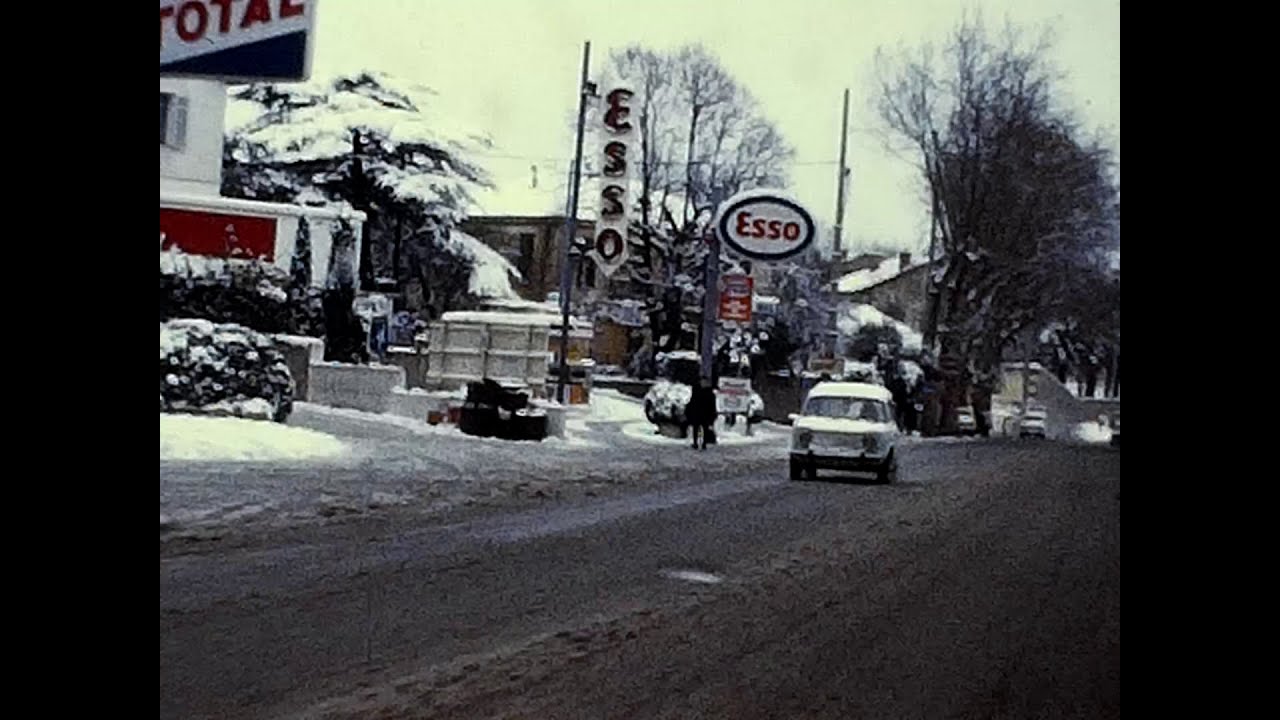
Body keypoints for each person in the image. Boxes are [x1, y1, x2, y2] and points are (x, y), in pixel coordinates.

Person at [686, 378, 718, 450]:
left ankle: (703, 443)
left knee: (704, 429)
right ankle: (696, 443)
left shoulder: (708, 393)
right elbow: (692, 402)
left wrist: (713, 415)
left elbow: (712, 405)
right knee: (696, 428)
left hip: (705, 414)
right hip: (698, 413)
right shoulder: (698, 391)